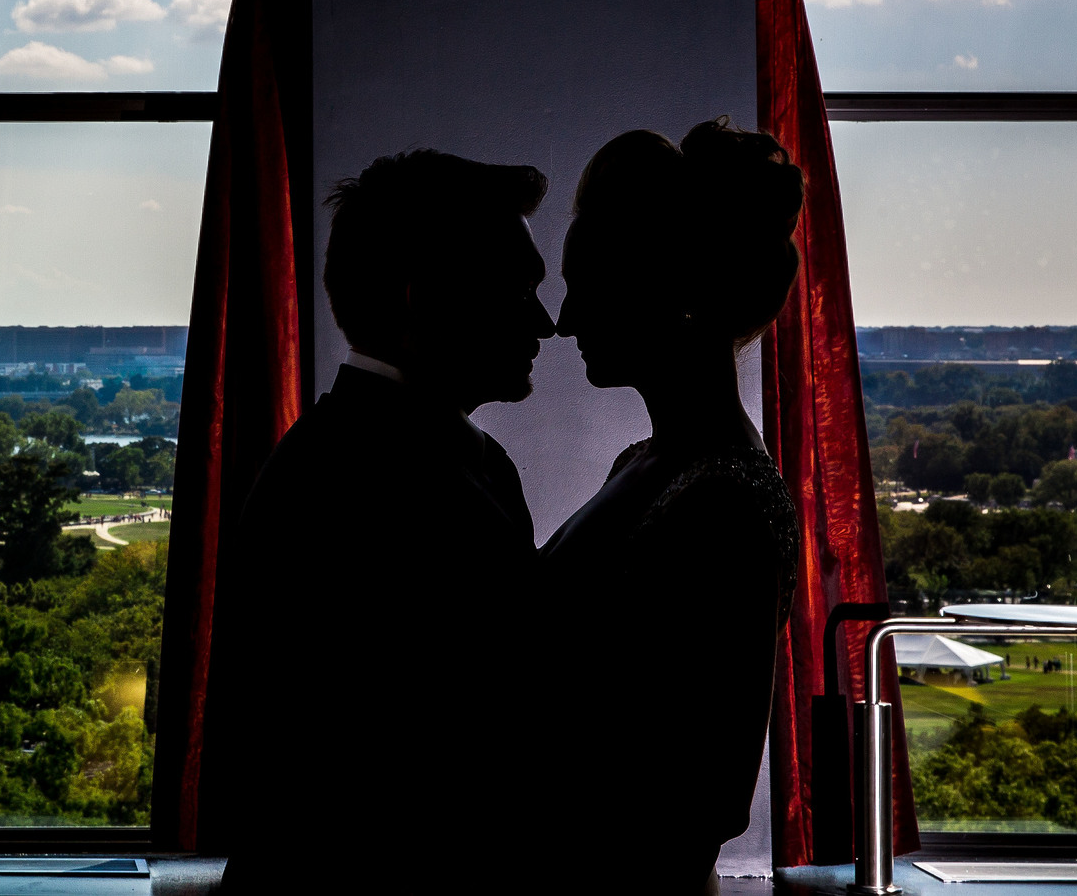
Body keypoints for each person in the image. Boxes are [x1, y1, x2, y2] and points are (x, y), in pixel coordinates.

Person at [211, 149, 557, 891]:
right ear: (419, 300)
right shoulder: (373, 484)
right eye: (515, 289)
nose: (545, 321)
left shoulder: (355, 458)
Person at [542, 118, 805, 893]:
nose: (565, 318)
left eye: (589, 285)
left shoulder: (724, 498)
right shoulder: (650, 463)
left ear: (678, 296)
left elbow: (704, 794)